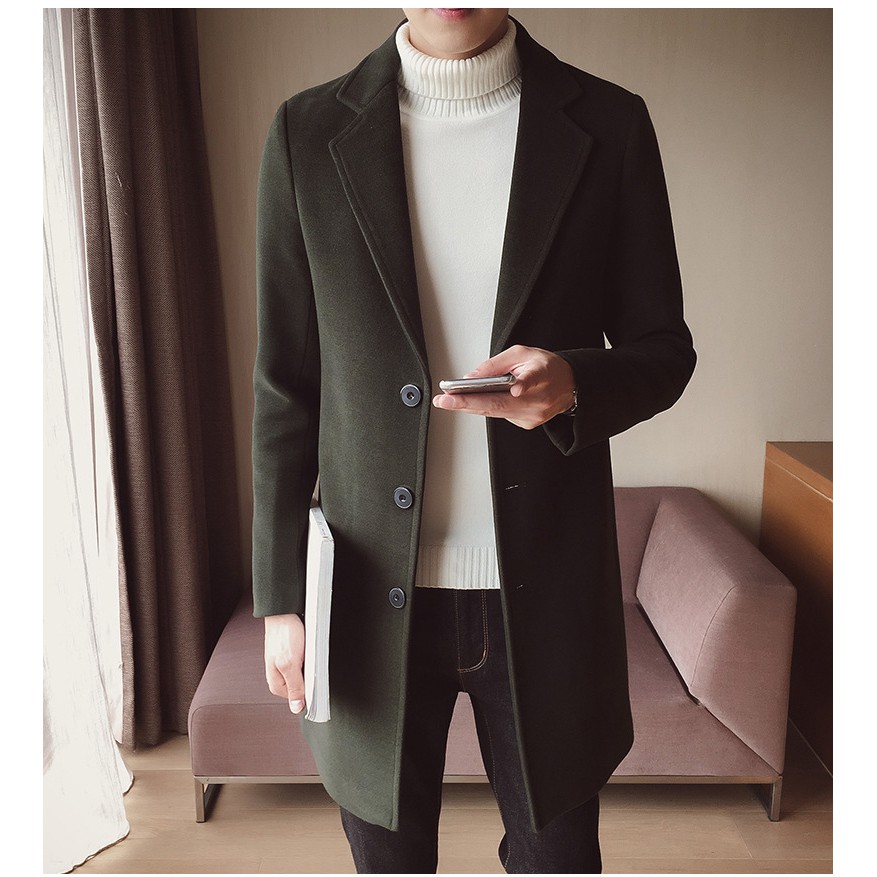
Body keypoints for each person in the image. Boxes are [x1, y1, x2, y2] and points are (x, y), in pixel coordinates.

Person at [252, 8, 695, 874]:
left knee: (557, 860)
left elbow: (663, 351)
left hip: (546, 588)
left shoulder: (609, 123)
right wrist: (280, 597)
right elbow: (284, 389)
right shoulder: (306, 132)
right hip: (364, 589)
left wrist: (572, 383)